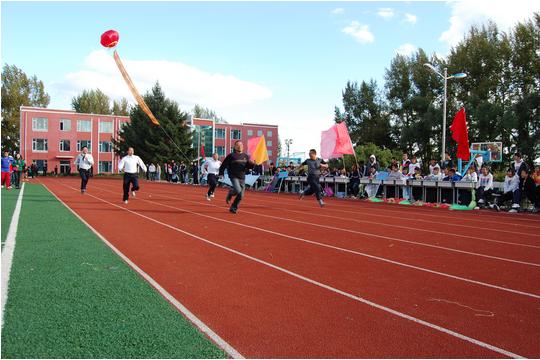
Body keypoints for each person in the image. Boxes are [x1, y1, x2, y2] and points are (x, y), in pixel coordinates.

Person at [219, 141, 255, 214]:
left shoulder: (246, 156)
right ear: (235, 147)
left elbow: (249, 167)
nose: (239, 146)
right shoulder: (231, 156)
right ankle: (230, 193)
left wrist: (253, 164)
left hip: (242, 177)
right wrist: (221, 173)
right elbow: (223, 165)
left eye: (241, 145)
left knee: (241, 195)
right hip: (233, 176)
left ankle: (233, 207)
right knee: (238, 190)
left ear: (243, 146)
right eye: (238, 145)